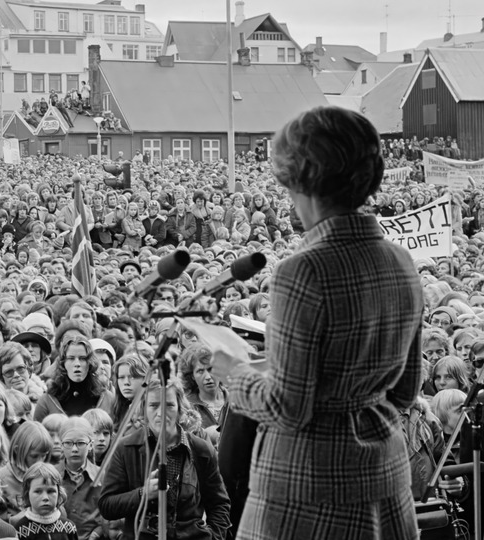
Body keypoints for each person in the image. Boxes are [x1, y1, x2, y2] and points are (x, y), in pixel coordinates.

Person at [210, 107, 423, 538]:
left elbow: (289, 408)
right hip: (384, 475)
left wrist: (235, 375)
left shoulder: (303, 271)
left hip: (308, 488)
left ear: (298, 179)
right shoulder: (403, 262)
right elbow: (404, 390)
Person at [98, 379, 231, 540]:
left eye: (169, 405)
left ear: (180, 409)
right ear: (144, 410)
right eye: (154, 405)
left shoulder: (201, 449)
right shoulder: (126, 448)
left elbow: (219, 504)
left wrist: (214, 537)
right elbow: (107, 505)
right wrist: (142, 494)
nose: (161, 412)